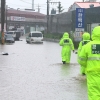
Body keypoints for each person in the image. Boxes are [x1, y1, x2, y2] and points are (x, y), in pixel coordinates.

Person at [78, 26, 100, 100]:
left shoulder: (87, 46)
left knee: (94, 93)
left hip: (92, 73)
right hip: (92, 73)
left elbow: (81, 60)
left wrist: (87, 65)